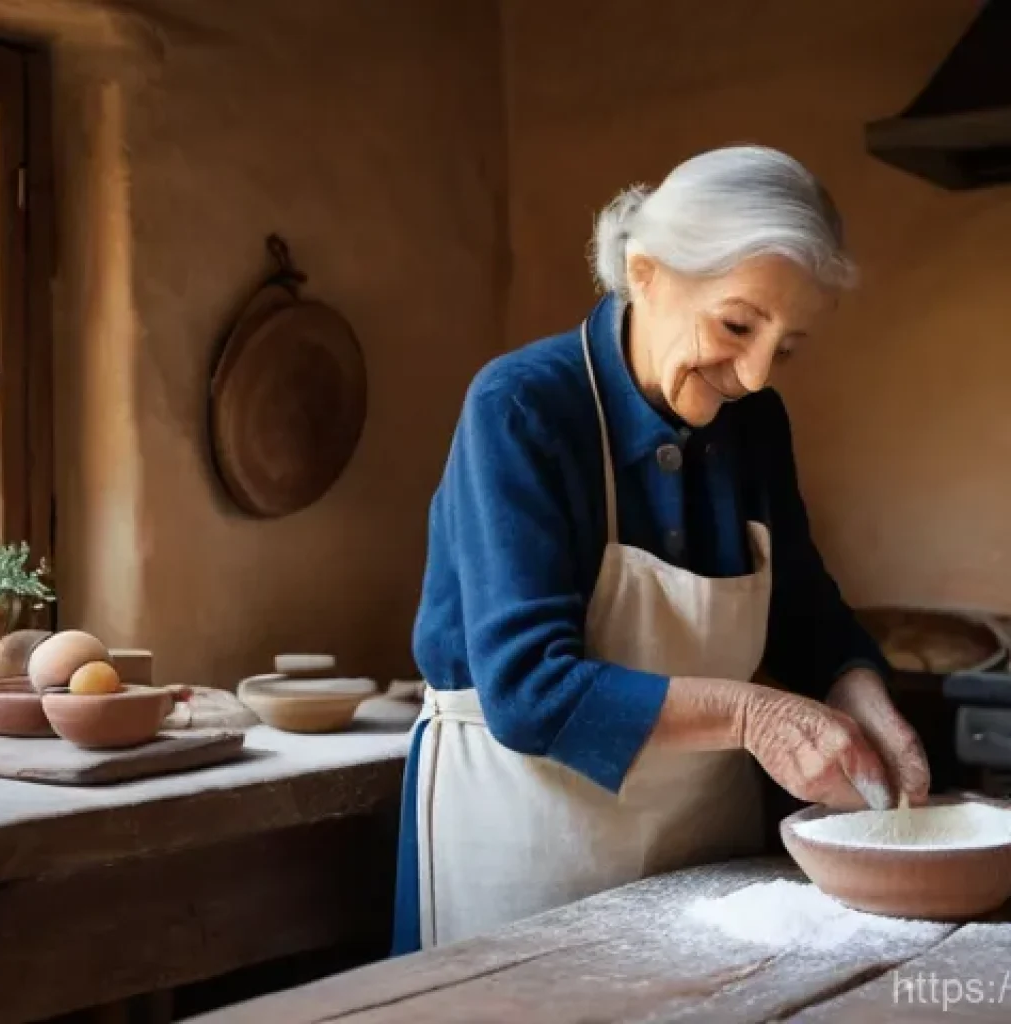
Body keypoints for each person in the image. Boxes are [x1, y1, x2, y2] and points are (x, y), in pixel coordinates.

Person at [392, 145, 930, 955]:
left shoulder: (755, 424)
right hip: (523, 840)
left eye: (785, 346)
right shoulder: (522, 408)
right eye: (738, 324)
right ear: (646, 273)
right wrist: (753, 714)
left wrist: (863, 697)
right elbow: (529, 691)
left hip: (696, 852)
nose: (753, 374)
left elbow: (804, 613)